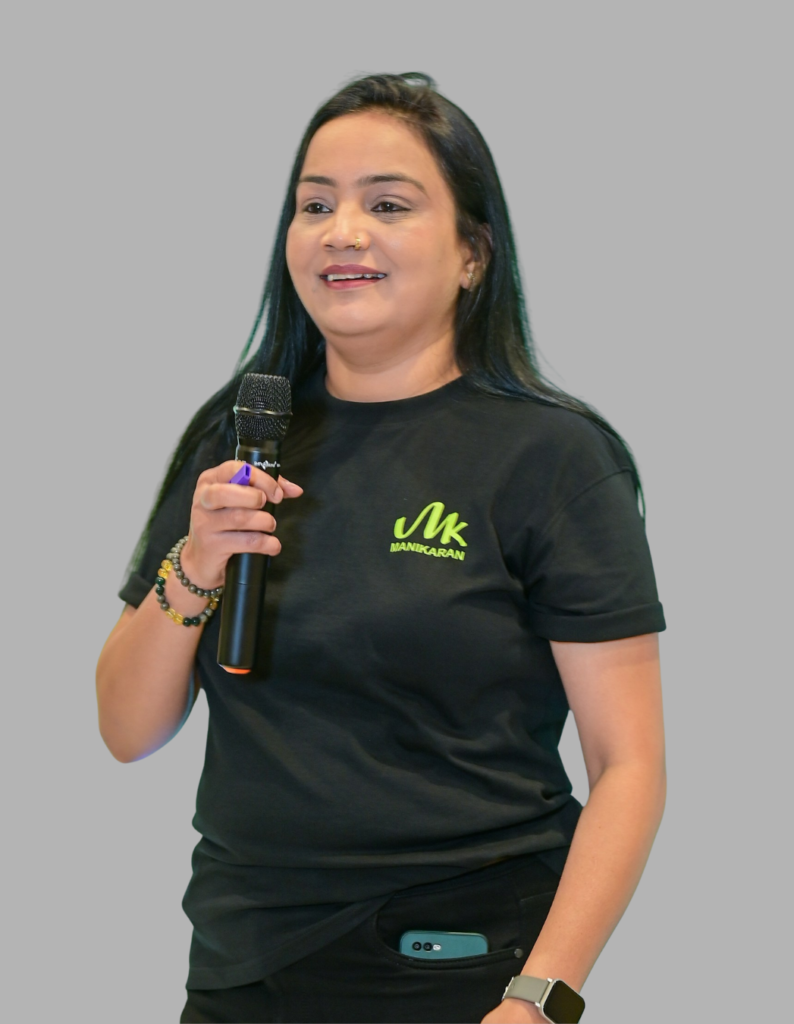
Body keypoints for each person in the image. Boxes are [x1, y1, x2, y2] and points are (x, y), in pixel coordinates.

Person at [96, 72, 667, 1024]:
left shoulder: (552, 458)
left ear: (472, 253)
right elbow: (126, 730)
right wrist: (194, 564)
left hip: (458, 964)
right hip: (241, 963)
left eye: (388, 205)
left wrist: (541, 997)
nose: (342, 232)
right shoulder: (240, 439)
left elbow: (628, 765)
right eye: (315, 205)